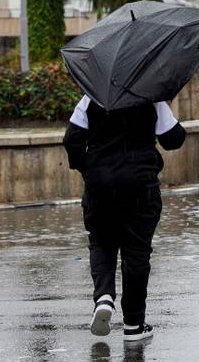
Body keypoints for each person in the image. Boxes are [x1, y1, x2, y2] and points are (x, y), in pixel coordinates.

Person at [64, 95, 186, 341]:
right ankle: (133, 325)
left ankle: (104, 297)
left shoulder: (92, 97)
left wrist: (86, 168)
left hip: (99, 185)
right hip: (140, 184)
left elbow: (71, 140)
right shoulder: (150, 97)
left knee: (101, 243)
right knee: (137, 252)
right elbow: (174, 139)